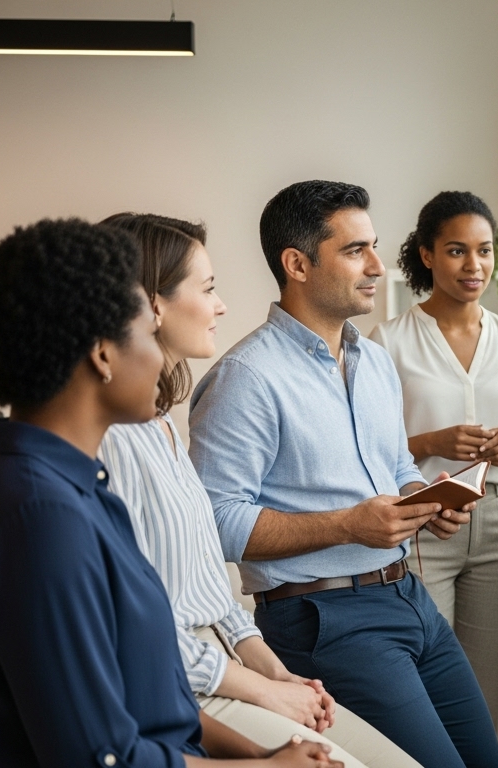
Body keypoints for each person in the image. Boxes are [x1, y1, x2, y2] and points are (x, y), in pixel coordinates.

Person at [0, 218, 335, 767]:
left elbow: (159, 704)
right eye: (146, 329)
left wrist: (261, 755)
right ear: (103, 353)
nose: (158, 355)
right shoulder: (42, 519)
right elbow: (100, 757)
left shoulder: (81, 489)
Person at [188, 181, 498, 768]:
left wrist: (424, 499)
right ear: (297, 264)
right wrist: (347, 526)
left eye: (374, 247)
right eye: (356, 250)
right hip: (325, 618)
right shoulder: (246, 377)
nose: (378, 267)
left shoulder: (373, 361)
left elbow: (397, 465)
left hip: (410, 597)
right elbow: (214, 523)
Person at [95, 214, 419, 768]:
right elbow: (137, 630)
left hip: (228, 658)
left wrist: (273, 672)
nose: (221, 306)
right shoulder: (115, 440)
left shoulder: (160, 424)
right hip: (189, 677)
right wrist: (261, 689)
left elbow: (208, 590)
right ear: (152, 305)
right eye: (208, 289)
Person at [369, 191, 498, 745]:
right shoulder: (388, 341)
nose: (474, 265)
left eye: (484, 251)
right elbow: (370, 449)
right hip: (427, 521)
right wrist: (432, 442)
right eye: (456, 250)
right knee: (428, 679)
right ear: (426, 255)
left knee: (491, 679)